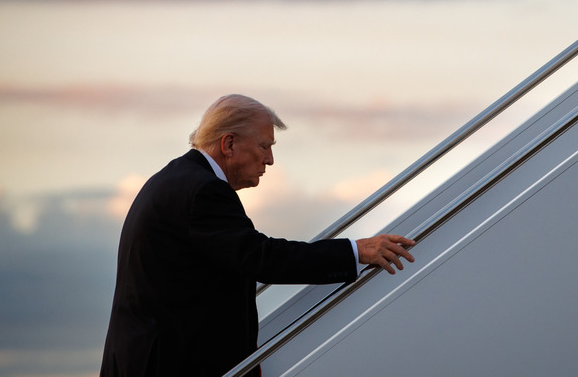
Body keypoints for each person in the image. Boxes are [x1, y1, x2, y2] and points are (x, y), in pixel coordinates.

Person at [101, 94, 415, 376]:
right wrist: (355, 251)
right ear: (229, 144)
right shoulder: (202, 190)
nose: (270, 160)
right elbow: (261, 257)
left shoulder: (179, 179)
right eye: (264, 146)